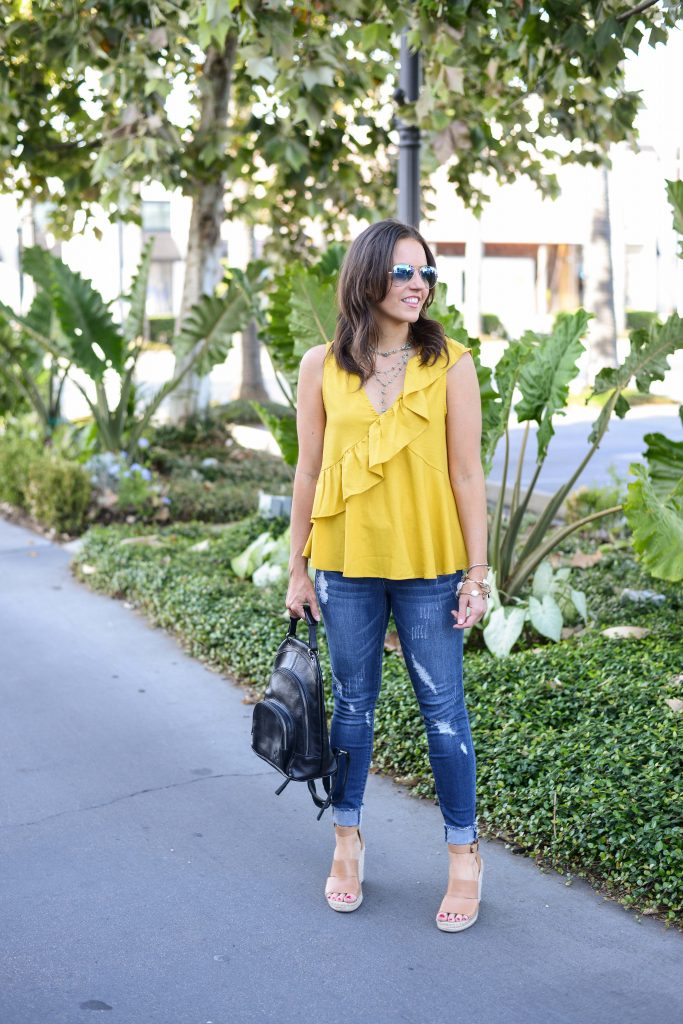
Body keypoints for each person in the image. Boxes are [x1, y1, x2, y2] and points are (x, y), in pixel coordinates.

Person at [285, 219, 489, 932]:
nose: (417, 284)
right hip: (344, 566)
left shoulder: (450, 363)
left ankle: (463, 855)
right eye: (403, 272)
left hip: (430, 567)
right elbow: (308, 470)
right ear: (368, 277)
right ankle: (346, 842)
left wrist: (477, 573)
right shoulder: (322, 366)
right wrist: (297, 568)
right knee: (352, 712)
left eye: (425, 272)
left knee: (444, 717)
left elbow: (467, 473)